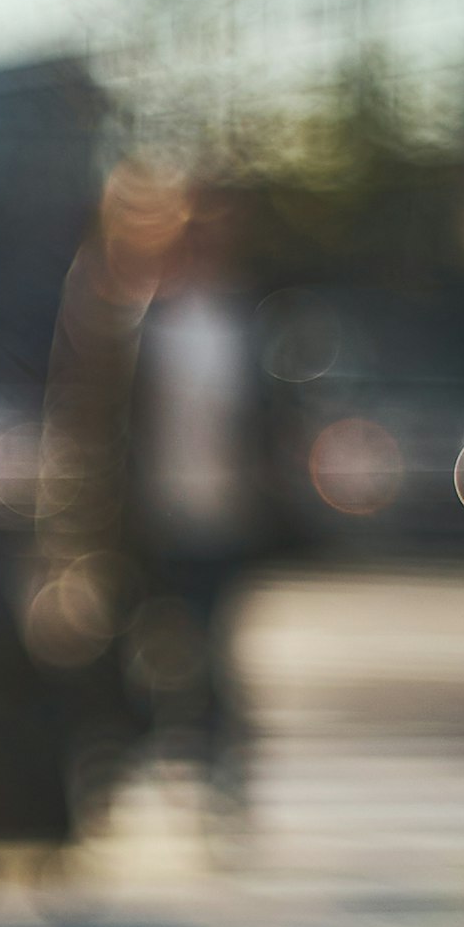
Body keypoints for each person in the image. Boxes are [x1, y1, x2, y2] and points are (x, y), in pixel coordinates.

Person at [41, 168, 275, 813]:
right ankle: (128, 759)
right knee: (138, 644)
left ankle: (213, 763)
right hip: (144, 518)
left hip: (223, 512)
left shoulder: (242, 319)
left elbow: (265, 417)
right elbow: (89, 417)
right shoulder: (131, 318)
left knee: (209, 645)